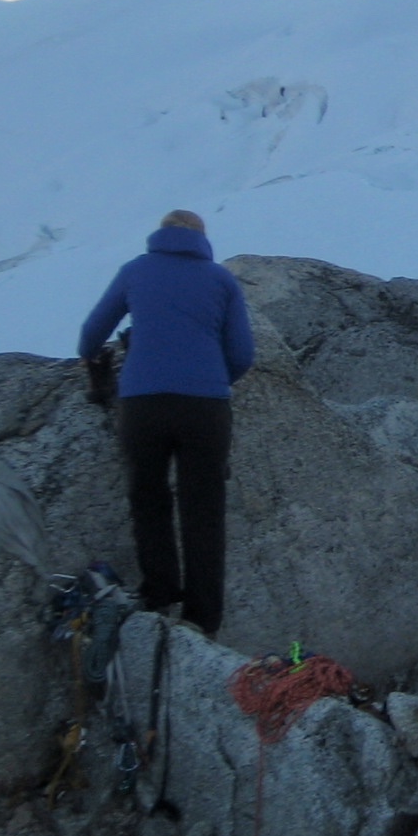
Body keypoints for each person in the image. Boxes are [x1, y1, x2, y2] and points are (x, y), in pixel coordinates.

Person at [79, 209, 255, 634]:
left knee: (148, 498)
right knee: (204, 510)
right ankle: (203, 617)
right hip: (206, 410)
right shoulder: (222, 280)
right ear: (202, 238)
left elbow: (90, 336)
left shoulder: (136, 271)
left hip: (143, 406)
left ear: (160, 234)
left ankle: (159, 593)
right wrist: (213, 380)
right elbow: (243, 355)